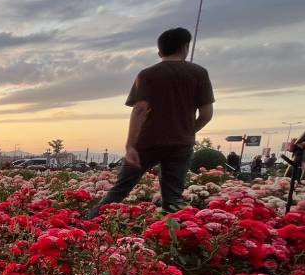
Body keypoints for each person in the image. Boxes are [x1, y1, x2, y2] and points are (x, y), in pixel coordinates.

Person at [88, 27, 214, 218]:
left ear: (160, 51)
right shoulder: (198, 73)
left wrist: (130, 145)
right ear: (185, 47)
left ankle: (87, 224)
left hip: (146, 142)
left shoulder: (147, 75)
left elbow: (139, 110)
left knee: (120, 190)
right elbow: (206, 114)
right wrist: (187, 131)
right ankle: (172, 237)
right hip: (180, 145)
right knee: (173, 199)